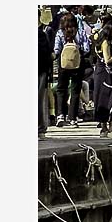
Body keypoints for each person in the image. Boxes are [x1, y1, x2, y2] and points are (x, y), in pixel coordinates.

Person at [54, 14, 90, 128]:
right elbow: (86, 48)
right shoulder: (80, 32)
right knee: (75, 91)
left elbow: (56, 49)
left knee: (61, 89)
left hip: (63, 64)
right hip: (77, 64)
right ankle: (73, 118)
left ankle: (60, 115)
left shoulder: (60, 33)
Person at [39, 8, 53, 139]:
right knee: (39, 100)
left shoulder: (42, 33)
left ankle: (40, 129)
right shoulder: (41, 34)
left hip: (40, 70)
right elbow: (47, 54)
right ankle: (40, 129)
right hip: (40, 70)